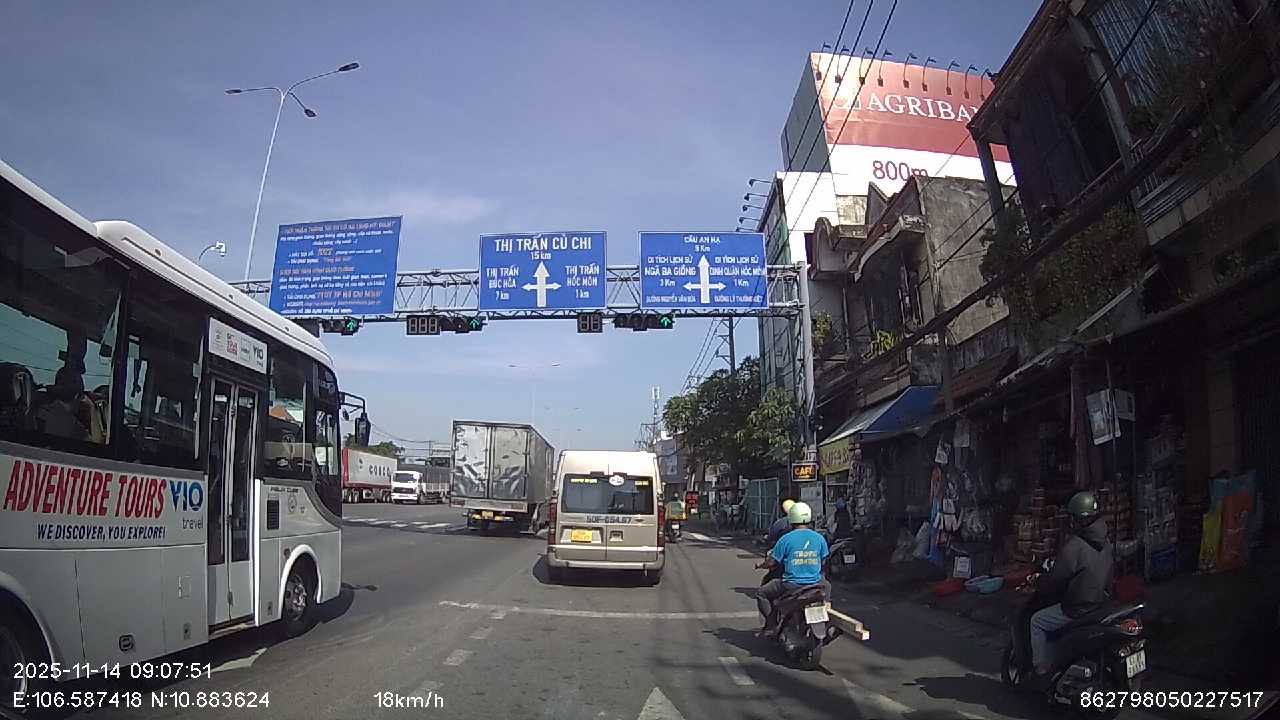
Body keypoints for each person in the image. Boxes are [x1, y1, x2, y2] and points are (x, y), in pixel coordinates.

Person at [1028, 490, 1115, 683]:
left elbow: (1055, 580)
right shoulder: (1106, 541)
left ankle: (1041, 672)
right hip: (1101, 604)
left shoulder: (1075, 546)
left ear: (1076, 519)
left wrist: (1039, 581)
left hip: (1077, 608)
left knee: (1036, 621)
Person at [754, 501, 830, 637]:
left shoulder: (786, 539)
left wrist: (760, 565)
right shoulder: (819, 538)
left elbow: (771, 562)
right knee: (827, 586)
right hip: (816, 583)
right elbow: (824, 560)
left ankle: (771, 625)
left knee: (761, 593)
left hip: (792, 584)